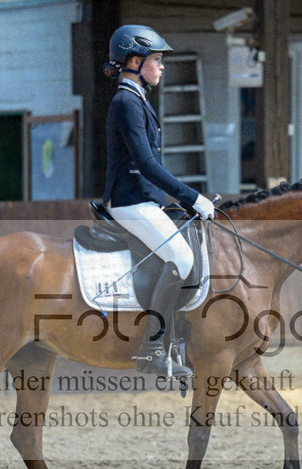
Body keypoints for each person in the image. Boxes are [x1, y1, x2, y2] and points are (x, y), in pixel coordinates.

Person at [102, 24, 215, 379]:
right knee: (181, 257)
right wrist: (193, 197)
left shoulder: (137, 99)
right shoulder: (126, 102)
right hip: (129, 202)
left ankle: (173, 342)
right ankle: (153, 348)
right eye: (156, 59)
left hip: (143, 200)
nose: (162, 66)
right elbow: (147, 166)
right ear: (135, 61)